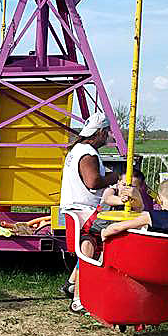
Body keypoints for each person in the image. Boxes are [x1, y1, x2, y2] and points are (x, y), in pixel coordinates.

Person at [59, 113, 119, 313]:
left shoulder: (78, 150)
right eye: (107, 133)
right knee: (95, 247)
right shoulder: (88, 154)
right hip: (85, 211)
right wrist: (113, 177)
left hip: (76, 209)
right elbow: (92, 182)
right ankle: (80, 298)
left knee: (87, 249)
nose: (108, 136)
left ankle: (71, 284)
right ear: (100, 132)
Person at [101, 177, 168, 241]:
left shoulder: (152, 216)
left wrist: (105, 233)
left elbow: (117, 227)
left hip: (153, 262)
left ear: (159, 200)